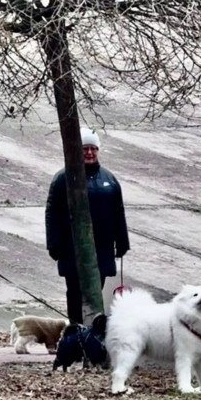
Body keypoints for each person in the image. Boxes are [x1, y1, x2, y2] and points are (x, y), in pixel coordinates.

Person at [45, 127, 130, 324]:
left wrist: (122, 241)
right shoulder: (62, 179)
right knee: (74, 294)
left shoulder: (110, 180)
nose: (89, 153)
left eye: (93, 148)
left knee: (95, 293)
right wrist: (54, 244)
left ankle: (92, 334)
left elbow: (119, 212)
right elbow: (52, 212)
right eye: (85, 149)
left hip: (101, 249)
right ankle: (76, 333)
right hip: (72, 249)